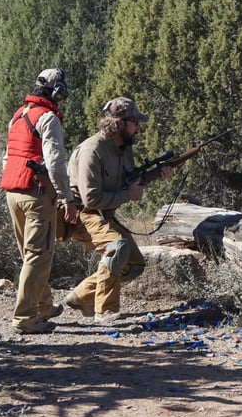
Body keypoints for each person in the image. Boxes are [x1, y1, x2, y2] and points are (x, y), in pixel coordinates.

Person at [63, 97, 171, 324]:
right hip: (82, 215)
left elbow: (128, 183)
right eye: (135, 123)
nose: (138, 128)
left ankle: (81, 296)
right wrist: (129, 195)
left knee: (133, 265)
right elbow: (91, 199)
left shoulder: (124, 150)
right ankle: (105, 311)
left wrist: (152, 178)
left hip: (105, 214)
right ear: (120, 123)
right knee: (118, 247)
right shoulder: (92, 151)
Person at [0, 68, 78, 334]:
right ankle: (25, 318)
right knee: (38, 256)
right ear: (57, 92)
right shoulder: (48, 118)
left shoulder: (17, 116)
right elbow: (55, 163)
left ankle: (44, 306)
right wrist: (67, 198)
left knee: (30, 255)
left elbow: (7, 157)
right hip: (37, 194)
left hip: (13, 192)